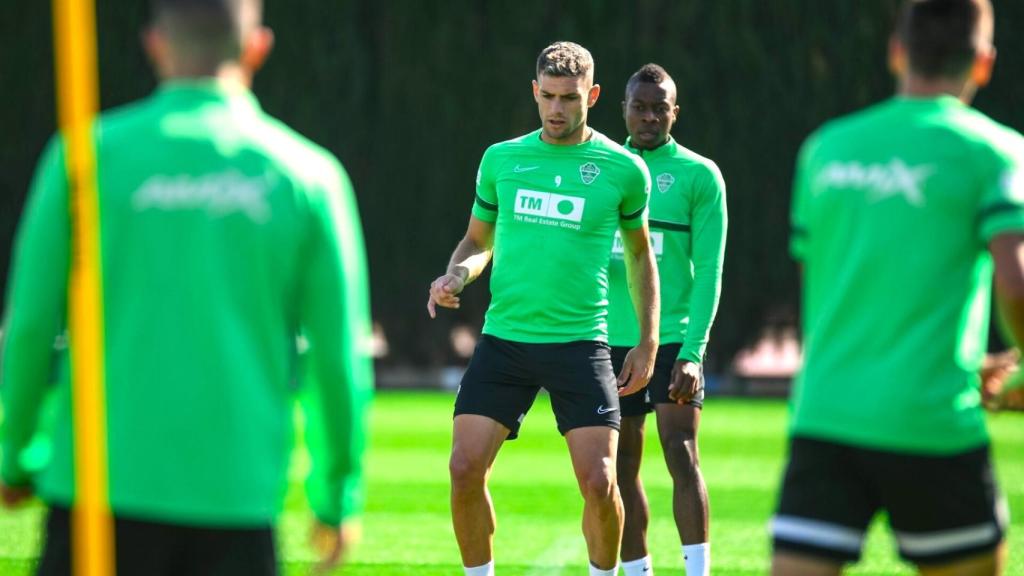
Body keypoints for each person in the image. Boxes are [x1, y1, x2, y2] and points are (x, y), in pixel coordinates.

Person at [0, 0, 373, 574]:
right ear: (257, 48)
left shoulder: (84, 155)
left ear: (154, 44)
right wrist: (335, 494)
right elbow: (337, 357)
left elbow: (29, 325)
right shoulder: (308, 175)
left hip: (98, 496)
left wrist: (15, 458)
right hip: (236, 499)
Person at [771, 0, 1022, 574]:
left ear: (897, 52)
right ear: (983, 64)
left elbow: (828, 293)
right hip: (930, 421)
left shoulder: (825, 149)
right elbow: (1016, 280)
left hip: (825, 416)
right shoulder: (993, 150)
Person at [427, 41, 659, 576]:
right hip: (505, 340)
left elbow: (642, 260)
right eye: (548, 96)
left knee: (601, 483)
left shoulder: (623, 171)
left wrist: (647, 341)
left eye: (570, 98)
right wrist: (457, 273)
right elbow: (477, 239)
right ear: (534, 92)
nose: (557, 109)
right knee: (463, 468)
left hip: (580, 344)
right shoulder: (501, 159)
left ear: (593, 96)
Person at [607, 63, 726, 576]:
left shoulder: (701, 175)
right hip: (610, 339)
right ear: (624, 110)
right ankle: (638, 572)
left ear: (675, 112)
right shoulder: (604, 168)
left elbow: (710, 272)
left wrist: (695, 352)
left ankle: (696, 572)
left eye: (660, 108)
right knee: (621, 463)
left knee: (681, 452)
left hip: (675, 337)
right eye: (640, 107)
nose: (650, 117)